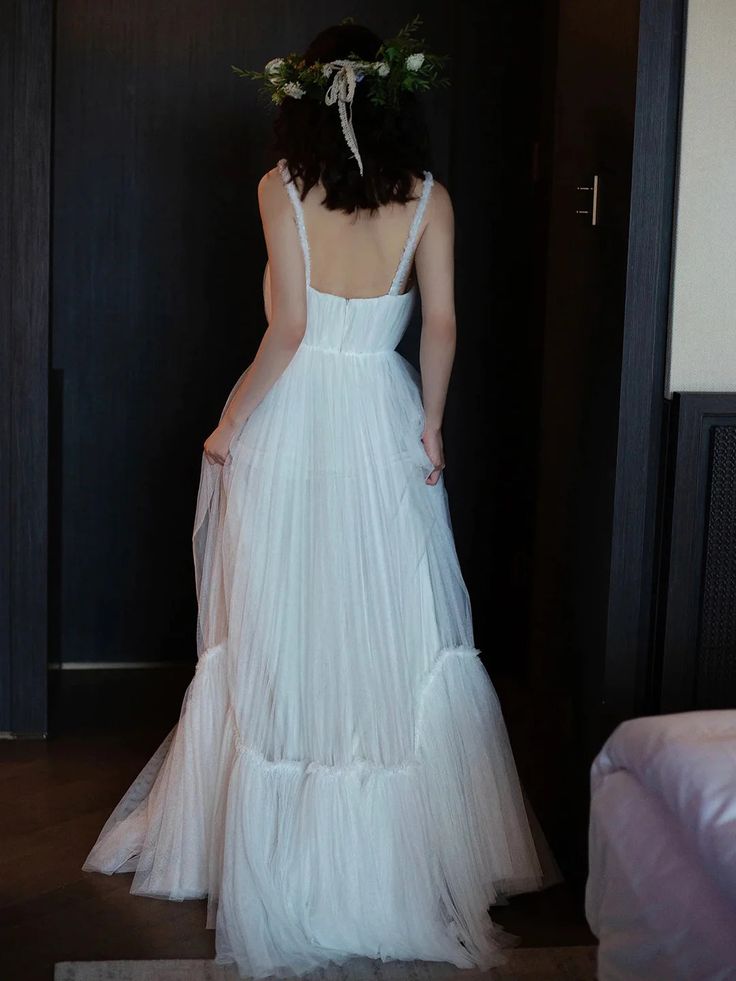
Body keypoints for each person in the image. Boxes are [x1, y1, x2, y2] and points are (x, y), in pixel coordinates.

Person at [82, 18, 560, 981]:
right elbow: (445, 325)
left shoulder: (280, 189)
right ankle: (393, 853)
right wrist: (431, 427)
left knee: (286, 622)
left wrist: (227, 421)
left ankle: (288, 855)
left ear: (304, 104)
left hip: (298, 420)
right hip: (381, 412)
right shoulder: (430, 197)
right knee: (387, 627)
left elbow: (291, 326)